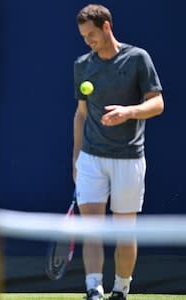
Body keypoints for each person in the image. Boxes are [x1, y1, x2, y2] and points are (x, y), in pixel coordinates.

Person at [73, 4, 164, 300]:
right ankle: (93, 289)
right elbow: (81, 115)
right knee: (92, 230)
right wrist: (76, 158)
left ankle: (121, 289)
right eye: (84, 36)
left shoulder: (138, 59)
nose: (88, 41)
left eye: (91, 35)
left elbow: (157, 103)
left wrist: (129, 112)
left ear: (107, 27)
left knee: (125, 233)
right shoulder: (82, 65)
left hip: (129, 159)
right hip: (91, 159)